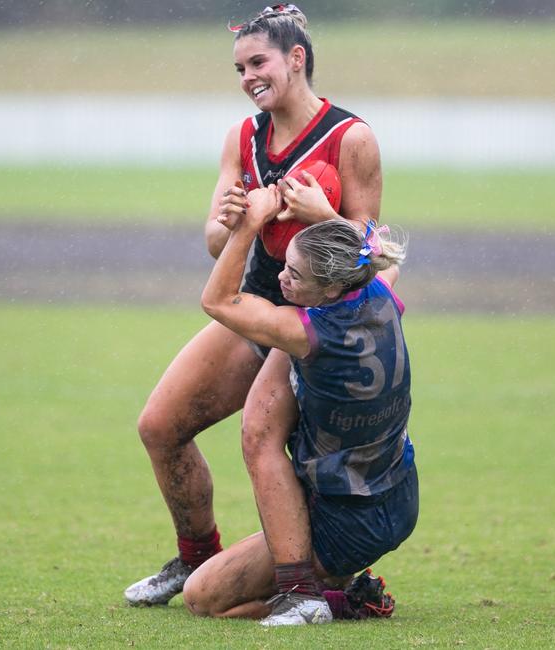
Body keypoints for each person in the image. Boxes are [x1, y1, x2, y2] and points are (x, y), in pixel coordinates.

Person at [124, 3, 382, 606]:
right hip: (257, 307)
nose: (248, 78)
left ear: (297, 58)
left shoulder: (352, 137)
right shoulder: (245, 136)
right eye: (239, 68)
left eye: (258, 62)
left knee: (261, 436)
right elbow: (216, 239)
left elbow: (374, 251)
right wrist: (234, 221)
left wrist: (324, 218)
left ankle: (311, 589)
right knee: (160, 427)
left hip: (320, 323)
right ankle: (196, 560)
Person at [183, 190, 418, 626]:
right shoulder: (379, 289)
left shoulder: (313, 333)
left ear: (330, 288)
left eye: (293, 273)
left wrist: (249, 225)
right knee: (264, 433)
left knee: (203, 597)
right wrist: (327, 217)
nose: (282, 280)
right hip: (398, 499)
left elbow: (217, 301)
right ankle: (329, 583)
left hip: (347, 522)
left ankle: (329, 599)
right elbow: (383, 259)